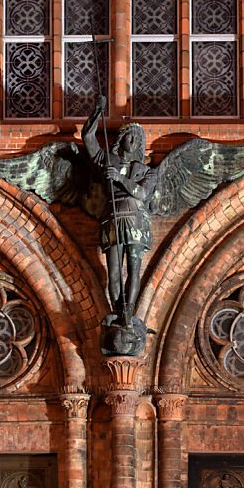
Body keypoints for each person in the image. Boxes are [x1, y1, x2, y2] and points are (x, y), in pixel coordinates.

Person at [82, 97, 156, 324]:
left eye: (138, 139)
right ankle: (116, 312)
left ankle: (129, 314)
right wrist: (97, 111)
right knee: (113, 271)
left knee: (133, 269)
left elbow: (141, 193)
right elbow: (88, 138)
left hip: (136, 220)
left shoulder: (146, 171)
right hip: (112, 218)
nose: (133, 141)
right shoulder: (107, 160)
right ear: (121, 139)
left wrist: (119, 178)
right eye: (130, 136)